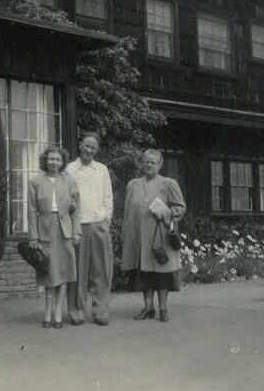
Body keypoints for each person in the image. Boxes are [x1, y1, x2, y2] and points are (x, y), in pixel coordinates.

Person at [121, 149, 186, 322]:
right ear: (142, 163)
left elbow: (180, 208)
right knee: (144, 273)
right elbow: (127, 211)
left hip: (160, 236)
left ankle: (163, 308)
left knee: (162, 273)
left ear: (160, 165)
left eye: (153, 163)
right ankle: (148, 307)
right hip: (139, 236)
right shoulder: (133, 184)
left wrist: (165, 212)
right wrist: (126, 233)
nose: (149, 165)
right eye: (146, 162)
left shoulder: (168, 183)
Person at [28, 145, 81, 329]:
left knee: (64, 272)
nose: (54, 162)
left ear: (62, 162)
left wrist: (76, 232)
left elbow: (76, 209)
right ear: (45, 160)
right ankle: (48, 311)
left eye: (58, 160)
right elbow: (32, 211)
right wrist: (33, 237)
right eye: (51, 159)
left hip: (64, 231)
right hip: (45, 231)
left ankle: (59, 311)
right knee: (49, 273)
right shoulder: (35, 182)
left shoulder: (69, 181)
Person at [65, 132, 114, 326]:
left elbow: (108, 198)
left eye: (93, 147)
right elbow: (66, 197)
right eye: (86, 146)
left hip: (98, 224)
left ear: (97, 150)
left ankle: (100, 311)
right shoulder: (70, 169)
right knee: (78, 270)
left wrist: (105, 219)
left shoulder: (102, 170)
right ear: (80, 146)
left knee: (101, 270)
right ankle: (76, 311)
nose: (89, 150)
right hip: (78, 225)